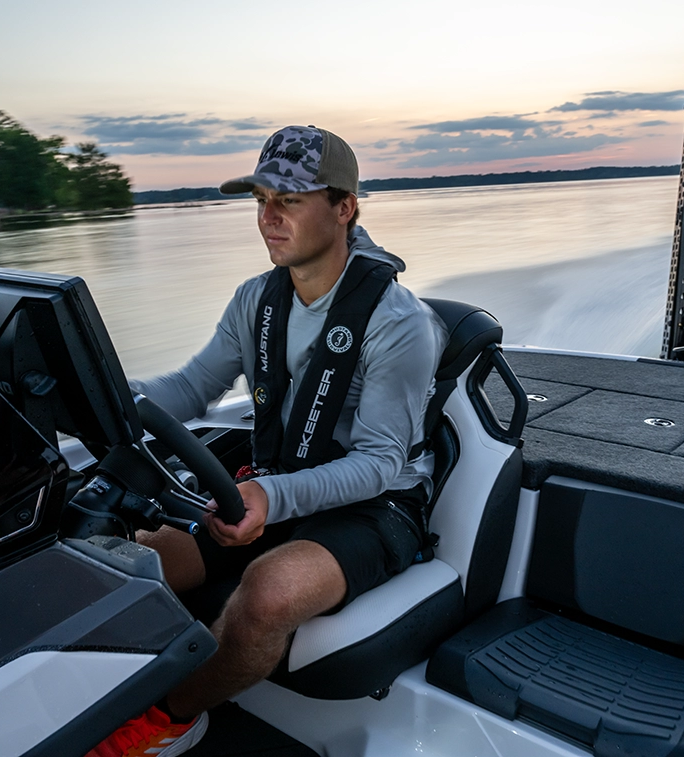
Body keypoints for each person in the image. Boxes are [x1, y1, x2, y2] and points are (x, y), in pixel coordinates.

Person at [87, 125, 446, 757]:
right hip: (275, 481)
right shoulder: (255, 299)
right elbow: (190, 386)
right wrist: (94, 393)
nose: (268, 218)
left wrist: (269, 498)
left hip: (375, 506)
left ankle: (169, 720)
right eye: (260, 200)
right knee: (134, 558)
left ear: (344, 207)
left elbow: (379, 462)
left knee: (269, 594)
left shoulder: (399, 322)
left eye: (289, 200)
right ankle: (102, 691)